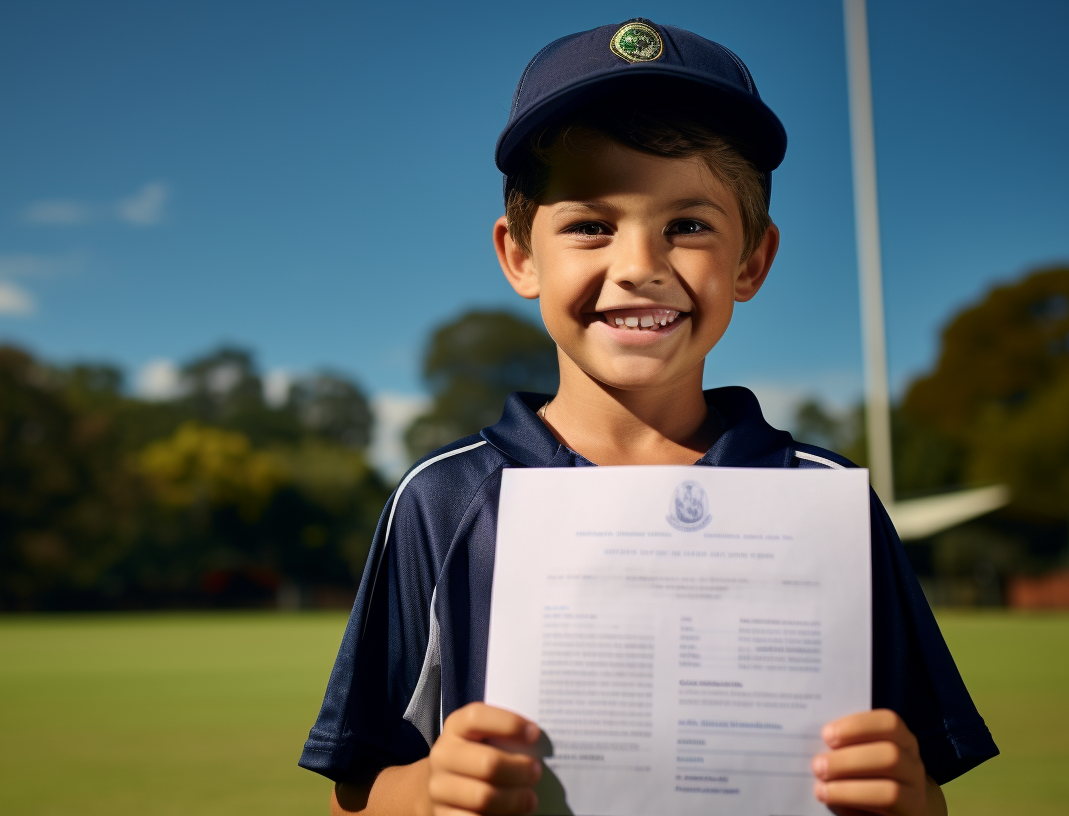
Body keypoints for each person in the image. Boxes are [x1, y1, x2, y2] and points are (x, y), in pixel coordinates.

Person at [301, 18, 997, 816]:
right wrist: (430, 791)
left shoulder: (825, 500)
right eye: (591, 226)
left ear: (752, 261)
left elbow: (923, 790)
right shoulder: (444, 499)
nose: (639, 268)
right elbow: (354, 795)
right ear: (520, 255)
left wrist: (907, 799)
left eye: (689, 226)